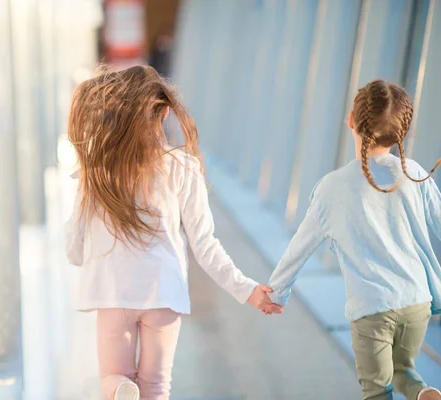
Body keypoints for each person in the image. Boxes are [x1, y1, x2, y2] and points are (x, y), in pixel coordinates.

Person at [65, 65, 281, 400]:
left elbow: (73, 249)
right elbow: (205, 245)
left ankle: (121, 388)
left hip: (112, 291)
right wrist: (248, 289)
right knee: (156, 387)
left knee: (112, 375)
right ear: (164, 112)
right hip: (163, 291)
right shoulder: (183, 166)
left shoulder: (98, 171)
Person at [267, 80, 441, 400]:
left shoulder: (332, 187)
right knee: (404, 370)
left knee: (376, 390)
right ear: (402, 132)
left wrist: (277, 292)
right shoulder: (414, 174)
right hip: (417, 303)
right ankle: (426, 393)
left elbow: (300, 247)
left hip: (371, 308)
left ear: (350, 120)